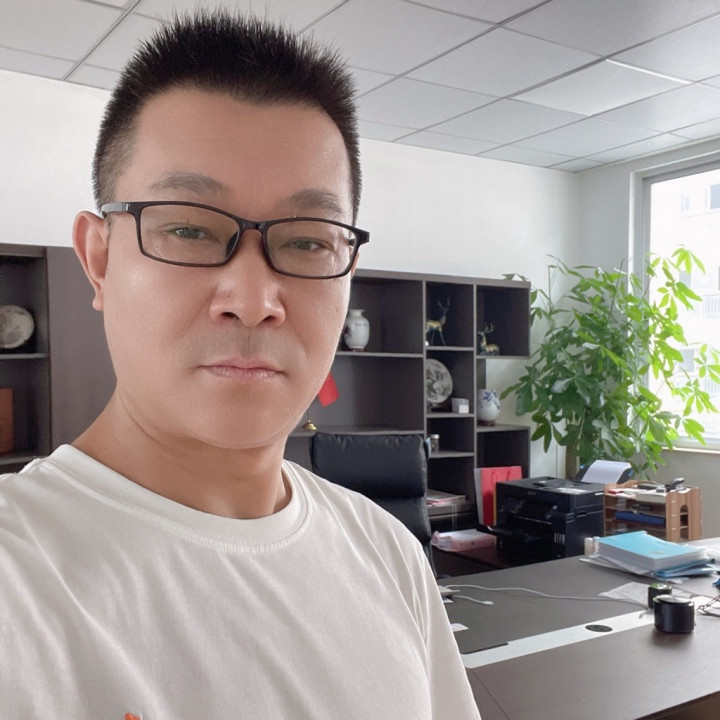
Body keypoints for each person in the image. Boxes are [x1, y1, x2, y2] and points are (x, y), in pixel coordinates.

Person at [0, 10, 480, 719]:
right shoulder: (19, 578)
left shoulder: (389, 553)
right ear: (99, 260)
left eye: (308, 242)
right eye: (188, 228)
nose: (254, 301)